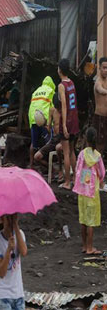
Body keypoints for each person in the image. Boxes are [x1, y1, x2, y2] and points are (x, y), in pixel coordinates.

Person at [73, 126, 105, 255]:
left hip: (82, 189)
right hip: (92, 190)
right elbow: (102, 173)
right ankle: (91, 248)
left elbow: (77, 169)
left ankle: (85, 246)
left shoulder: (81, 154)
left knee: (83, 219)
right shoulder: (97, 156)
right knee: (91, 220)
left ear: (85, 139)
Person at [0, 214, 28, 310]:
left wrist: (15, 225)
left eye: (14, 216)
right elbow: (1, 272)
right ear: (2, 219)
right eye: (8, 217)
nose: (11, 220)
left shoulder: (20, 234)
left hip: (18, 294)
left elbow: (23, 252)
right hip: (3, 295)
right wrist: (8, 250)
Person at [58, 58, 79, 189]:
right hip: (75, 119)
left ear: (60, 69)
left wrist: (64, 124)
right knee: (71, 151)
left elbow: (64, 106)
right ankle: (75, 178)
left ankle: (67, 182)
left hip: (67, 120)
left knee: (66, 152)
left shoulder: (61, 85)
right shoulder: (71, 83)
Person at [28, 76, 55, 169]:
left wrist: (31, 122)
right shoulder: (51, 91)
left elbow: (31, 107)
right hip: (44, 120)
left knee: (33, 143)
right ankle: (48, 166)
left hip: (33, 119)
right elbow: (53, 108)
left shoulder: (35, 92)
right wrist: (51, 123)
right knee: (48, 143)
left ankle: (31, 164)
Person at [34, 94, 63, 180]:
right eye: (57, 106)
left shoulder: (65, 111)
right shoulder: (52, 110)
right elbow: (49, 127)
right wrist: (45, 125)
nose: (59, 109)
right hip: (53, 139)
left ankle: (61, 169)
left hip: (62, 138)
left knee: (59, 148)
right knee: (37, 157)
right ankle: (53, 169)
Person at [93, 57, 107, 155]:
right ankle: (97, 168)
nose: (106, 70)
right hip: (100, 117)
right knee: (99, 145)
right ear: (99, 68)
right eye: (104, 68)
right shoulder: (98, 81)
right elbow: (100, 90)